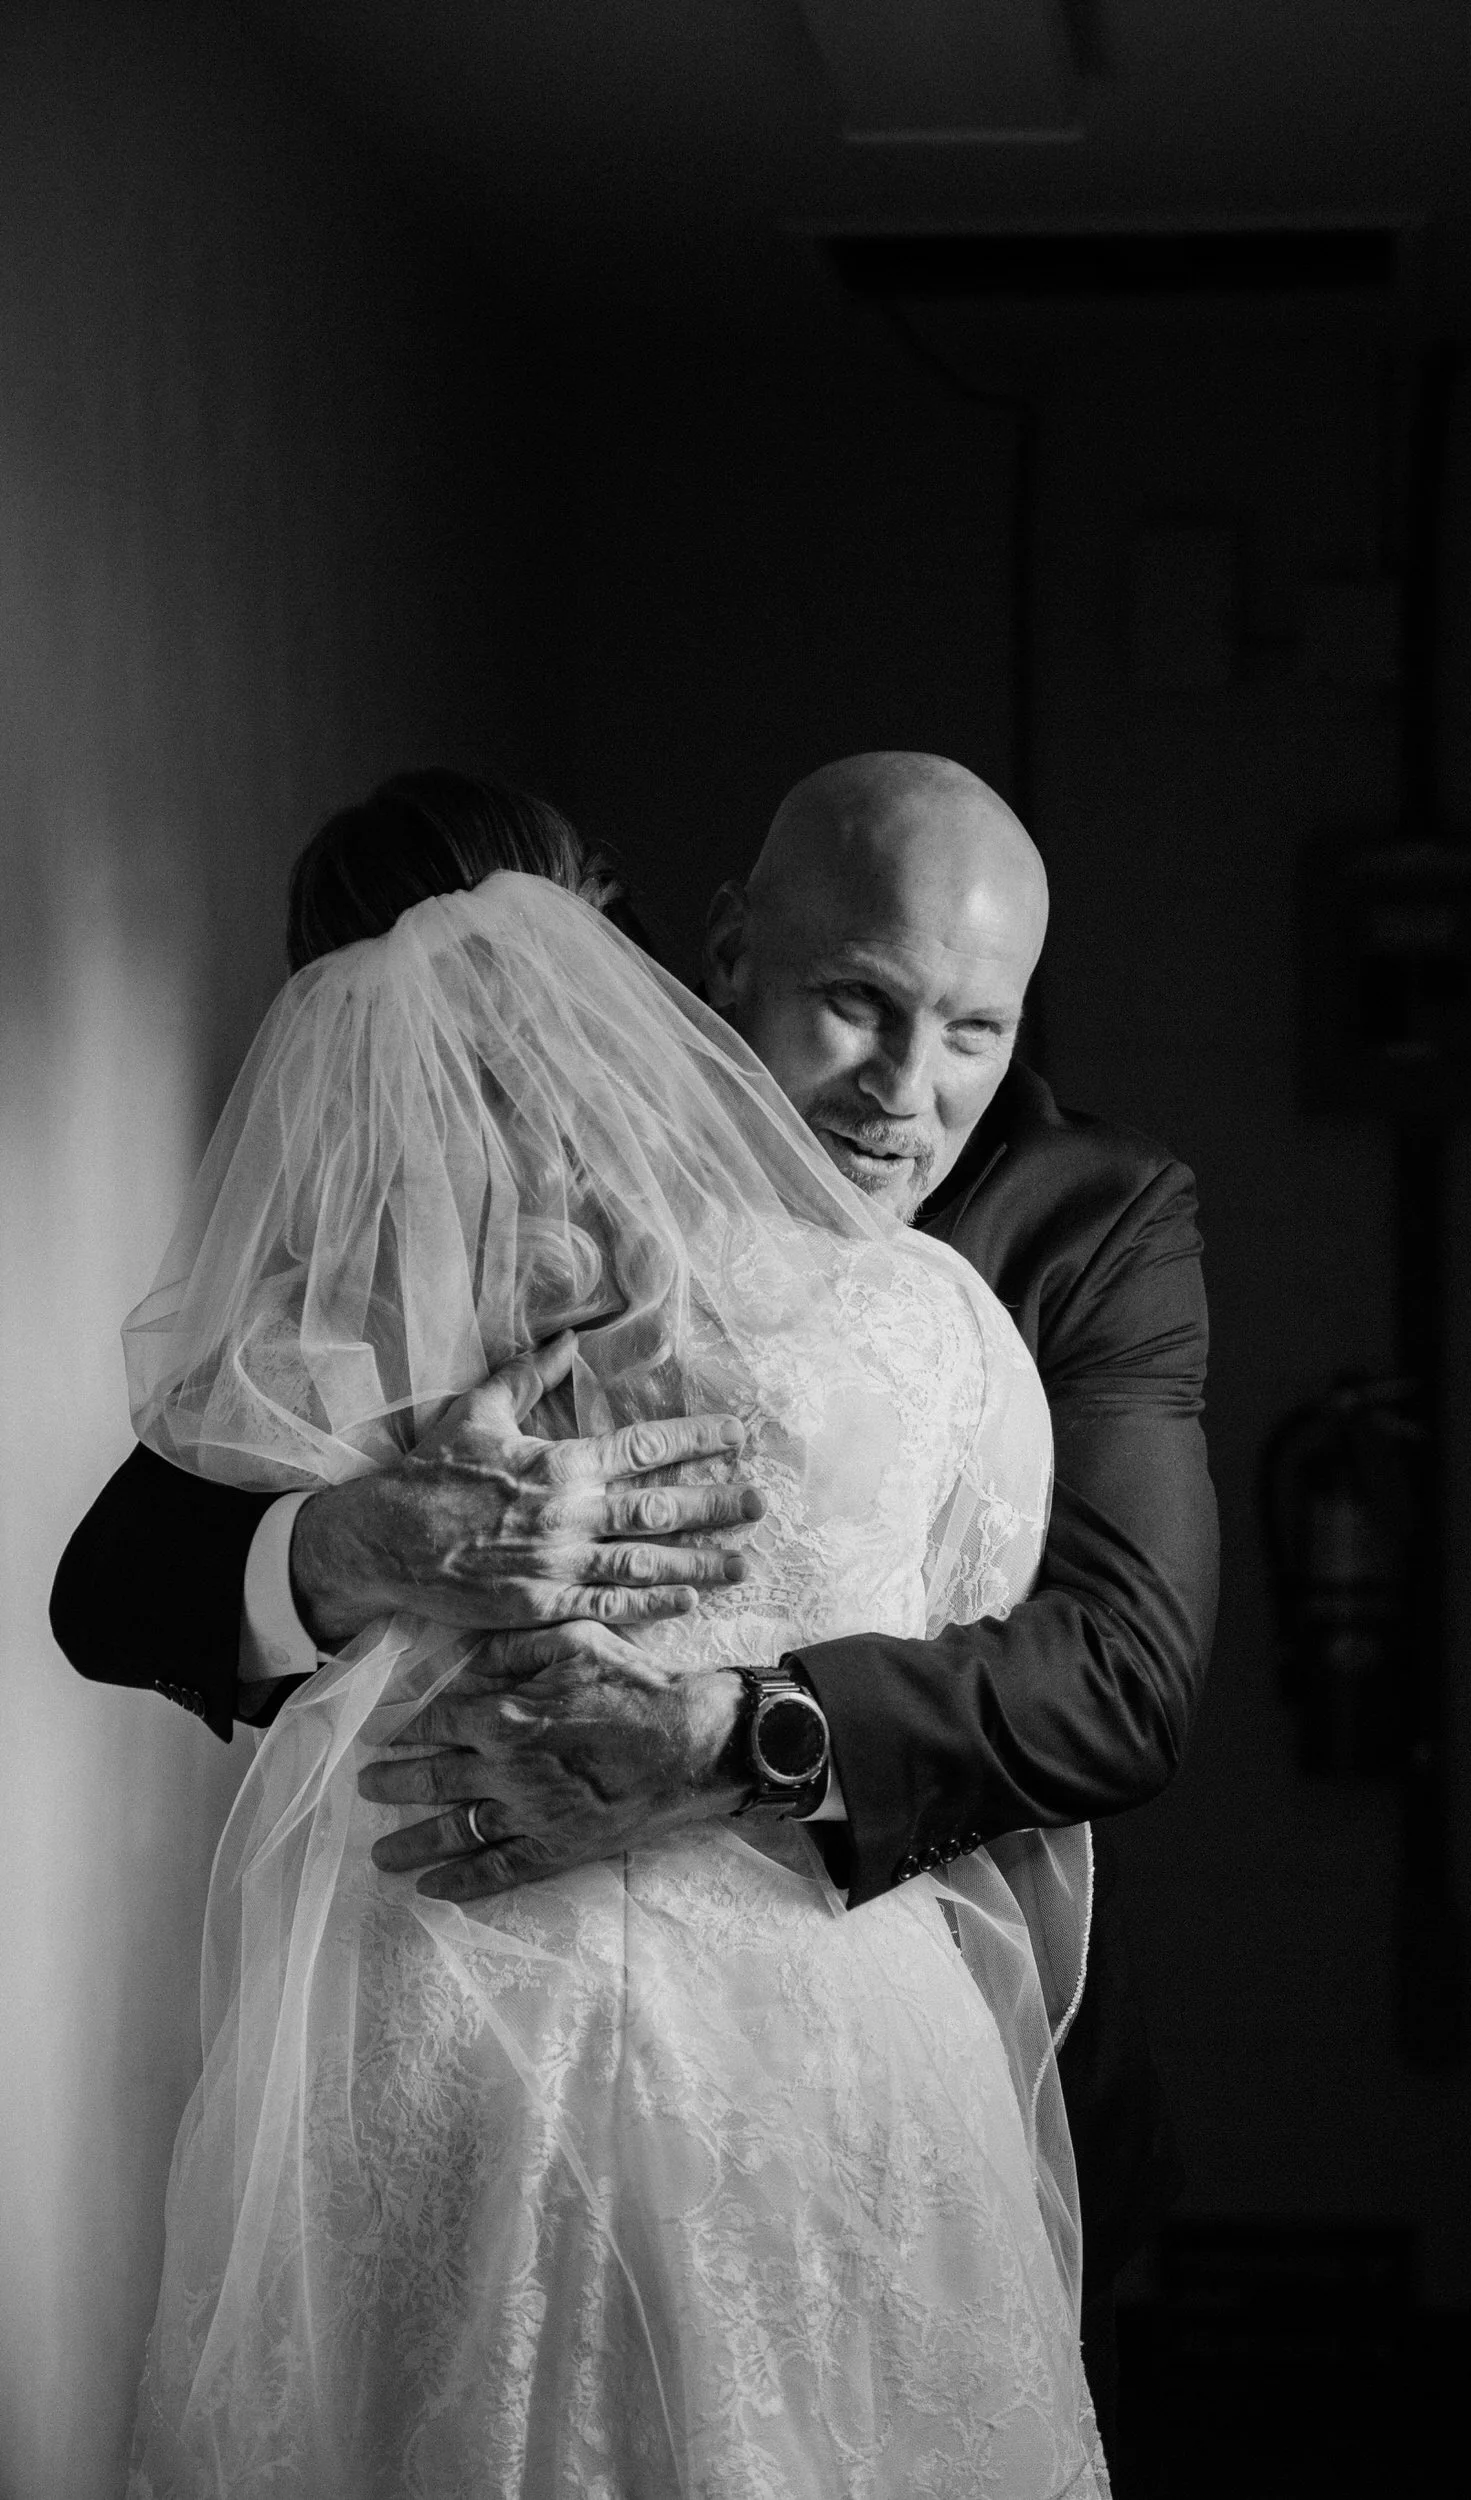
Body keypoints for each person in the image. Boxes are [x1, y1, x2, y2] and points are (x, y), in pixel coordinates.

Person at [53, 755, 1218, 2355]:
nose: (905, 1088)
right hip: (459, 2010)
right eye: (857, 1002)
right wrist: (362, 1542)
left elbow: (1122, 1679)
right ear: (716, 956)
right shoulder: (469, 1194)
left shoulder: (1083, 1223)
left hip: (854, 2003)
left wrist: (730, 1738)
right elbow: (121, 1578)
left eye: (974, 1030)